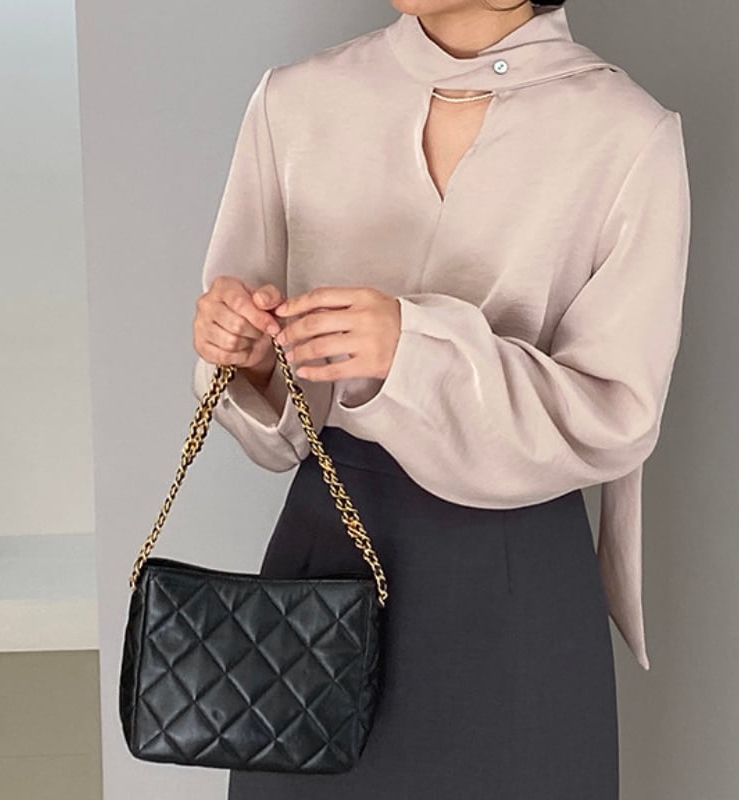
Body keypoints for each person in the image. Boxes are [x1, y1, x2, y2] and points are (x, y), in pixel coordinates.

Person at [191, 1, 691, 797]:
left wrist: (412, 351)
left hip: (513, 571)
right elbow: (275, 419)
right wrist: (249, 361)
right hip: (326, 559)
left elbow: (615, 414)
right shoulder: (298, 102)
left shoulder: (624, 134)